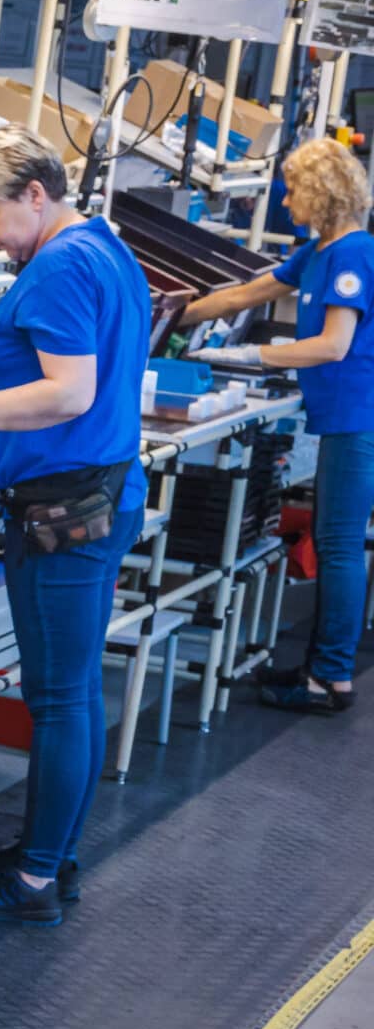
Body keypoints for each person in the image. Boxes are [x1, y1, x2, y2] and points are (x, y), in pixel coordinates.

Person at [0, 127, 153, 926]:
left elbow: (66, 394)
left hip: (66, 511)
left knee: (59, 699)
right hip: (100, 494)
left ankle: (29, 882)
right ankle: (50, 855)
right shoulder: (102, 247)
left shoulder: (59, 266)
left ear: (35, 194)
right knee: (75, 694)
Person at [180, 137, 374, 714]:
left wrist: (251, 358)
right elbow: (250, 292)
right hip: (341, 413)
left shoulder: (352, 254)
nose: (286, 201)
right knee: (336, 541)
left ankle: (329, 678)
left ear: (321, 192)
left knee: (338, 546)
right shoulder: (319, 250)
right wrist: (167, 311)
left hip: (357, 417)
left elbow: (334, 345)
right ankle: (326, 668)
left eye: (293, 189)